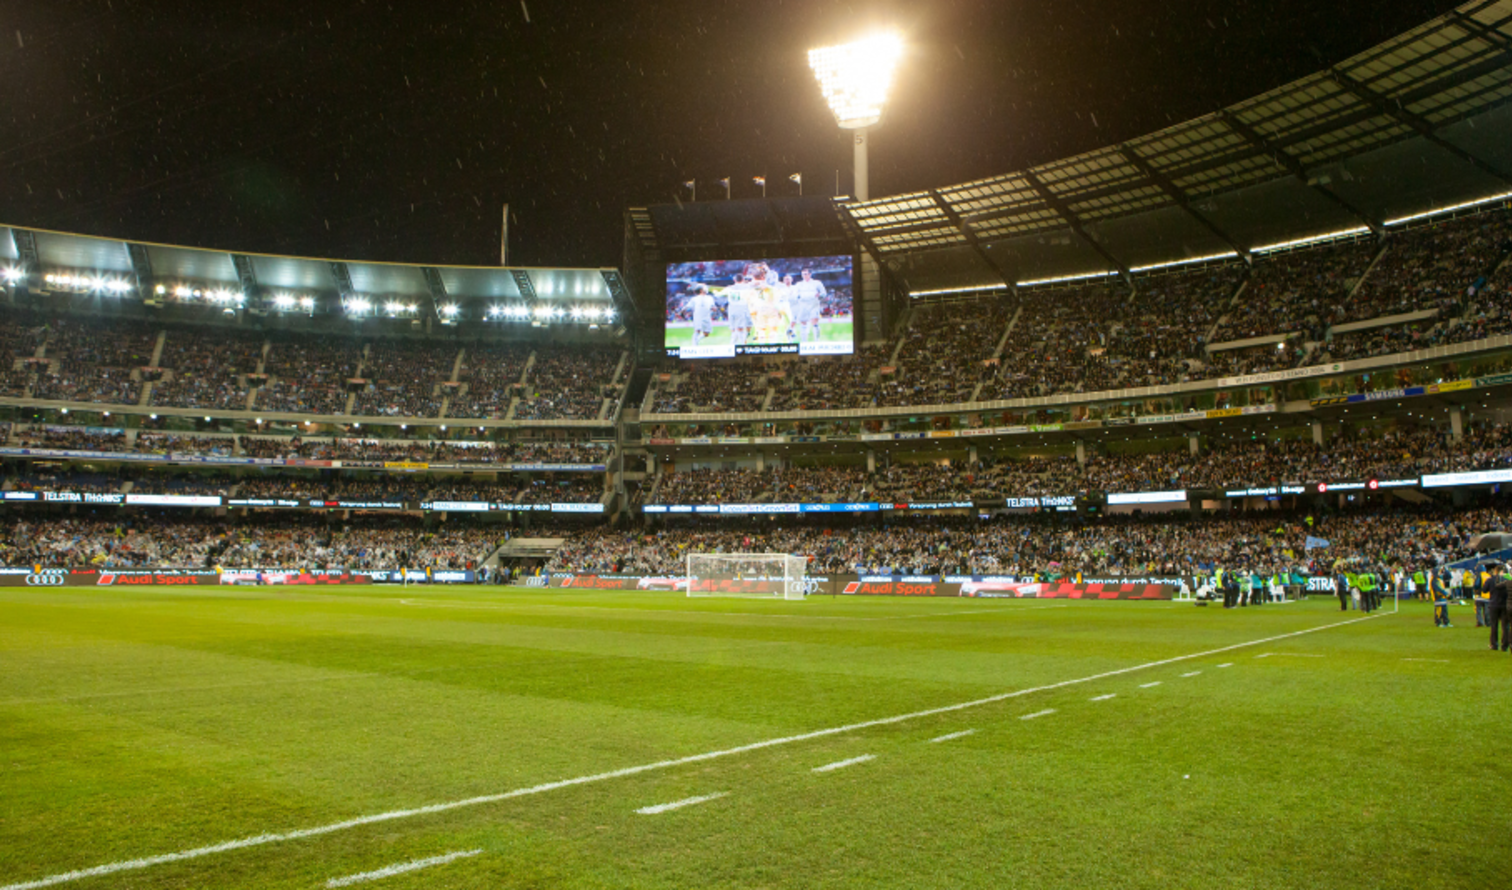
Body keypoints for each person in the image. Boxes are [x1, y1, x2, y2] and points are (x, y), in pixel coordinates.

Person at [1489, 562, 1510, 652]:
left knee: (1494, 625)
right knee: (1505, 626)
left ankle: (1494, 644)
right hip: (1504, 605)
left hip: (1494, 604)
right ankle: (1505, 644)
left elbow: (1485, 589)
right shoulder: (1507, 581)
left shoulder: (1491, 580)